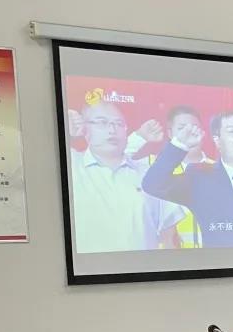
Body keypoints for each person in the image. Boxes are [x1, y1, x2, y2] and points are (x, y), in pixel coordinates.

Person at [142, 110, 233, 247]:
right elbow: (153, 184)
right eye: (232, 132)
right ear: (218, 141)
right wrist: (179, 145)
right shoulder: (199, 178)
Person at [67, 100, 185, 253]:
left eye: (119, 124)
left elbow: (170, 239)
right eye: (102, 122)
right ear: (84, 128)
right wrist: (66, 128)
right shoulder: (72, 166)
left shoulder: (149, 175)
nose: (112, 130)